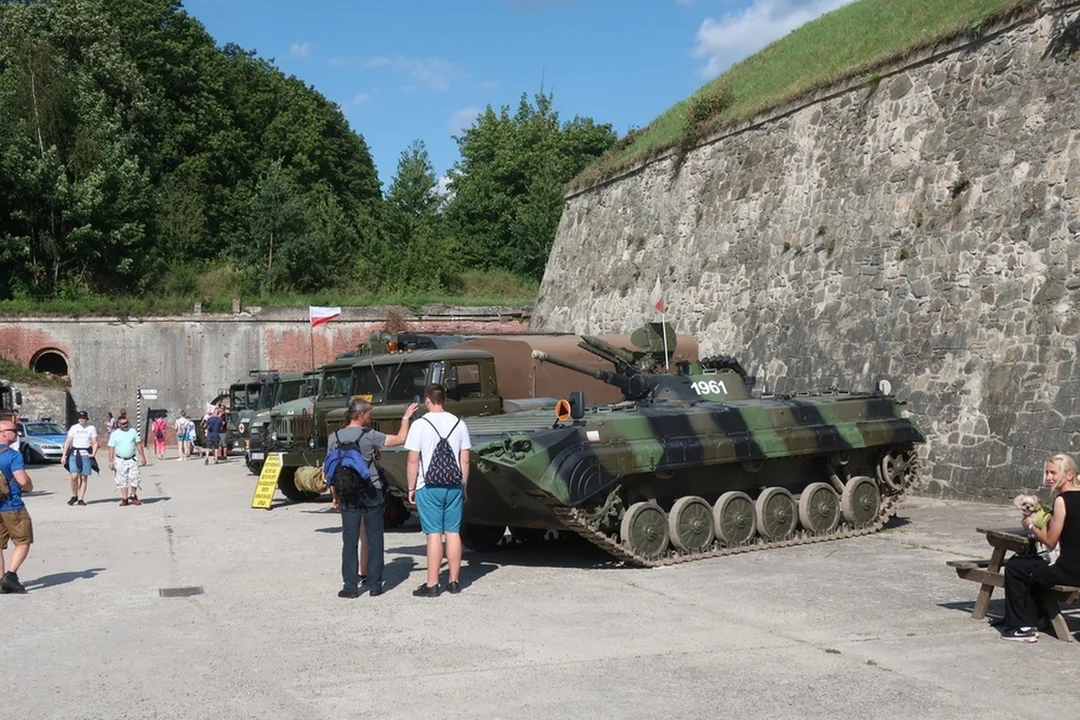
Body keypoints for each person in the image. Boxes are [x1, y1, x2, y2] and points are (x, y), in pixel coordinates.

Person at [328, 398, 418, 599]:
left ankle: (350, 587)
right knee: (375, 537)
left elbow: (331, 470)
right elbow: (400, 439)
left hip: (347, 493)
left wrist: (335, 495)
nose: (371, 417)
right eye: (369, 413)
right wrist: (405, 417)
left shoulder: (333, 437)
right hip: (371, 490)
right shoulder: (370, 436)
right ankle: (375, 585)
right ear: (360, 415)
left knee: (349, 540)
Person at [999, 453, 1080, 642]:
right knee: (1030, 565)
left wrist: (1030, 526)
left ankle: (1023, 626)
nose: (1049, 477)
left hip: (1068, 571)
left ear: (1069, 475)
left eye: (1053, 473)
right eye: (1047, 472)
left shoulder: (1062, 500)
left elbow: (1050, 541)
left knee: (1016, 567)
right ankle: (1038, 617)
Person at [405, 383, 471, 597]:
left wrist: (411, 487)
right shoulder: (459, 423)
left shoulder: (420, 425)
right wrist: (464, 486)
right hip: (454, 485)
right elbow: (466, 459)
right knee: (453, 532)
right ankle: (454, 581)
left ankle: (432, 584)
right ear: (444, 399)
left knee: (434, 534)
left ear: (427, 400)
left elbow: (413, 459)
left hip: (428, 485)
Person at [0, 420, 33, 593]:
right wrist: (29, 486)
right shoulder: (12, 455)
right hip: (12, 505)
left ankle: (0, 580)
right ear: (3, 432)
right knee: (23, 540)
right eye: (14, 430)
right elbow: (22, 481)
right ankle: (11, 576)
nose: (17, 433)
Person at [107, 414, 148, 507]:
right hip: (120, 460)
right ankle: (124, 498)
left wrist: (143, 457)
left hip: (132, 459)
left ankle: (133, 495)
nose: (124, 425)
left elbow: (138, 444)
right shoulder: (115, 434)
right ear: (118, 424)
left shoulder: (133, 431)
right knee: (122, 479)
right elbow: (111, 448)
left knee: (135, 477)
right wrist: (110, 461)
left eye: (126, 423)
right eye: (122, 424)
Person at [60, 411, 98, 507]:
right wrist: (64, 455)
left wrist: (93, 453)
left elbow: (95, 442)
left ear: (86, 419)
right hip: (74, 454)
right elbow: (68, 442)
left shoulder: (91, 428)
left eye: (83, 418)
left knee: (84, 477)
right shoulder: (74, 428)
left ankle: (81, 498)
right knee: (74, 476)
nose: (82, 419)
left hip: (85, 454)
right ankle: (74, 495)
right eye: (80, 418)